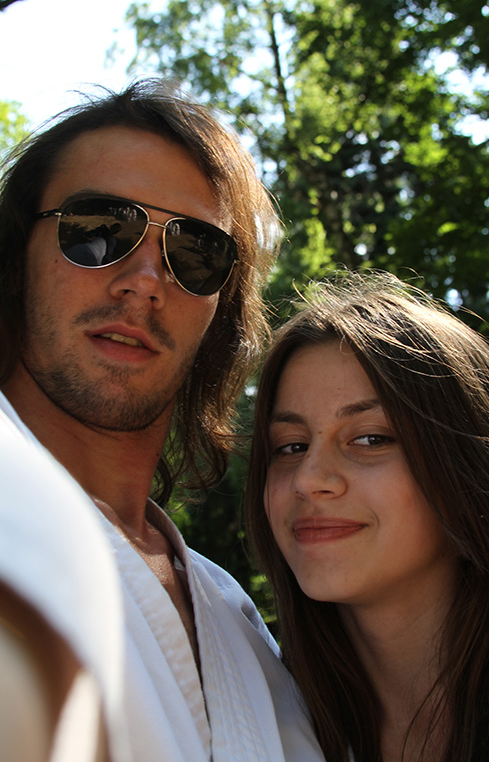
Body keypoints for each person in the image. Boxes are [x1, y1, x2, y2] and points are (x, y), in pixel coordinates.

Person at [0, 79, 324, 762]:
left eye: (196, 252)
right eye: (98, 228)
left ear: (220, 314)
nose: (146, 279)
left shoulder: (237, 622)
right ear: (16, 257)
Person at [246, 271, 489, 762]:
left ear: (468, 464)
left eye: (370, 438)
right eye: (290, 446)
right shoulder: (252, 724)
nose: (308, 479)